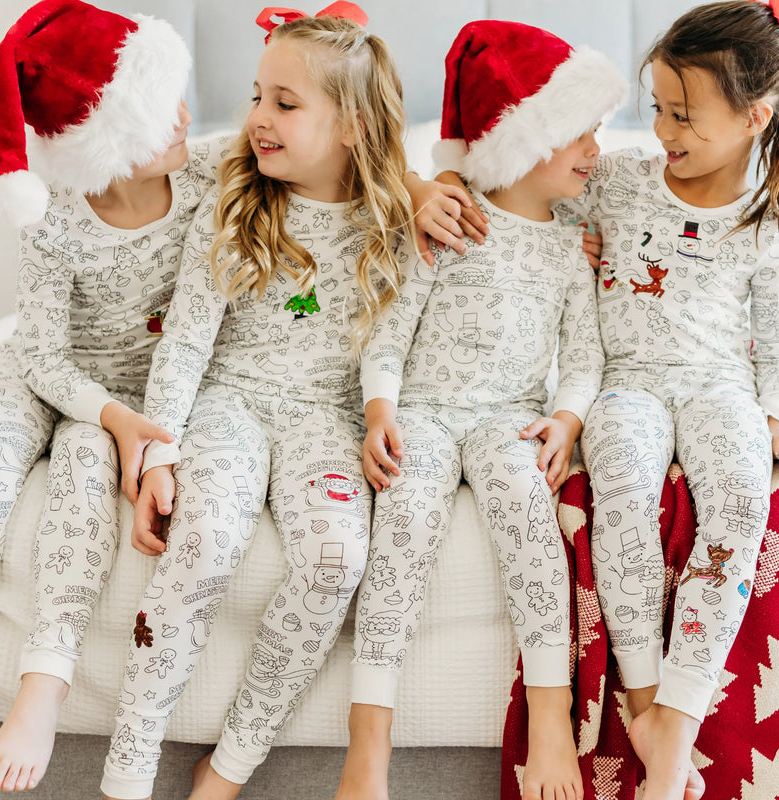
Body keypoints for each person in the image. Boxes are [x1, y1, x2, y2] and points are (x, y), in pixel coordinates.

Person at [99, 6, 422, 799]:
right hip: (230, 401)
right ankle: (130, 763)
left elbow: (390, 340)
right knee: (205, 537)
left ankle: (230, 765)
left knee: (338, 556)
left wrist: (424, 184)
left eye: (284, 103)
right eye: (255, 96)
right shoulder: (232, 185)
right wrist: (160, 452)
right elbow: (186, 337)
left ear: (352, 125)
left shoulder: (396, 220)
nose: (257, 120)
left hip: (329, 417)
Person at [335, 20, 626, 800]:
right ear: (520, 140)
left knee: (532, 521)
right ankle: (370, 742)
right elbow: (388, 329)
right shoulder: (450, 216)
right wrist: (378, 411)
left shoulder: (574, 243)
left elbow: (586, 354)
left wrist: (566, 419)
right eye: (580, 134)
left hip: (511, 417)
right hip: (425, 412)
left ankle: (552, 720)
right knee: (401, 526)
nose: (597, 150)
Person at [0, 0, 226, 791]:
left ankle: (40, 689)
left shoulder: (207, 182)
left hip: (132, 398)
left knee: (83, 478)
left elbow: (336, 136)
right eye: (160, 110)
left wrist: (124, 428)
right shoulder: (52, 221)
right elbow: (44, 355)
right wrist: (115, 417)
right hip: (51, 378)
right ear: (107, 142)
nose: (187, 115)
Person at [566, 2, 779, 798]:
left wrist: (772, 416)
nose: (662, 130)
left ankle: (679, 714)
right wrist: (440, 180)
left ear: (756, 116)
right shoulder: (618, 180)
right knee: (618, 477)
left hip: (720, 383)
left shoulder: (768, 217)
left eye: (683, 115)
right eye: (656, 108)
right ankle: (645, 695)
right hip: (630, 379)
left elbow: (776, 330)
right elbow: (526, 203)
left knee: (742, 492)